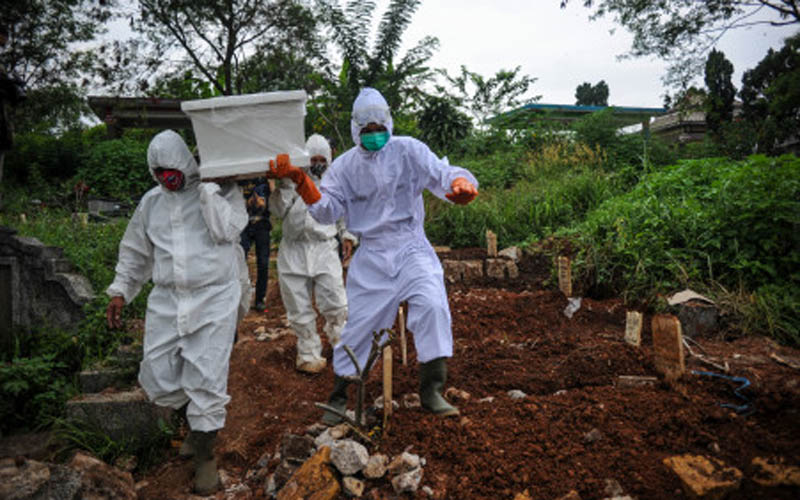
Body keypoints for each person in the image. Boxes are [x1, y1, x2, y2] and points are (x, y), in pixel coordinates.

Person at [268, 87, 478, 424]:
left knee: (433, 304)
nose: (374, 136)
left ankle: (432, 389)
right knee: (359, 326)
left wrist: (461, 186)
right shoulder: (345, 168)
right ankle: (339, 398)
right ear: (355, 130)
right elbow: (325, 211)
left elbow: (443, 173)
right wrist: (298, 178)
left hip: (412, 247)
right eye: (367, 131)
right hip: (373, 252)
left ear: (390, 124)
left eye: (379, 129)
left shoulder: (409, 150)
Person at [105, 130, 247, 495]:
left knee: (207, 373)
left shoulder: (222, 191)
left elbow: (227, 230)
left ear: (185, 162)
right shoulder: (151, 203)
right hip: (168, 298)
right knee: (159, 370)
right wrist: (121, 289)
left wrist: (210, 190)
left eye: (171, 169)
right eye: (158, 171)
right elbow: (136, 250)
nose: (165, 177)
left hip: (214, 296)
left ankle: (205, 455)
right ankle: (192, 423)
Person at [270, 134, 356, 374]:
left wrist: (348, 236)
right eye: (313, 159)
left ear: (328, 159)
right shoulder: (292, 182)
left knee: (336, 302)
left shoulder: (335, 182)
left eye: (322, 159)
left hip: (324, 247)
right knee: (298, 306)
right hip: (293, 249)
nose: (317, 164)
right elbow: (277, 211)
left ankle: (343, 348)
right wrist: (287, 184)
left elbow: (344, 213)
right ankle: (308, 353)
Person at [238, 176, 272, 312]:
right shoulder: (240, 179)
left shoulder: (264, 179)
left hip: (262, 224)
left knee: (263, 263)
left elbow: (272, 200)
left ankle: (259, 299)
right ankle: (240, 295)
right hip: (243, 224)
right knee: (240, 259)